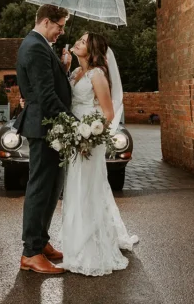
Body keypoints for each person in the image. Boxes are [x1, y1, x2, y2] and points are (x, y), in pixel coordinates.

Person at [59, 32, 138, 276]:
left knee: (89, 188)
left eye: (83, 41)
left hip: (90, 140)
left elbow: (108, 113)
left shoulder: (97, 74)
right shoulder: (75, 73)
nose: (78, 43)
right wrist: (65, 67)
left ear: (91, 50)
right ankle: (76, 243)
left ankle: (93, 248)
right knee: (75, 187)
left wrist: (88, 136)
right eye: (79, 39)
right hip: (75, 137)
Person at [14, 4, 74, 275]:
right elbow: (46, 96)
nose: (61, 31)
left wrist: (63, 67)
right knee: (40, 188)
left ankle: (42, 240)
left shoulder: (42, 46)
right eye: (60, 26)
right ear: (47, 21)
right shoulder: (35, 46)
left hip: (50, 127)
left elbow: (48, 86)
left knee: (52, 187)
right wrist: (75, 124)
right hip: (44, 127)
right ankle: (31, 252)